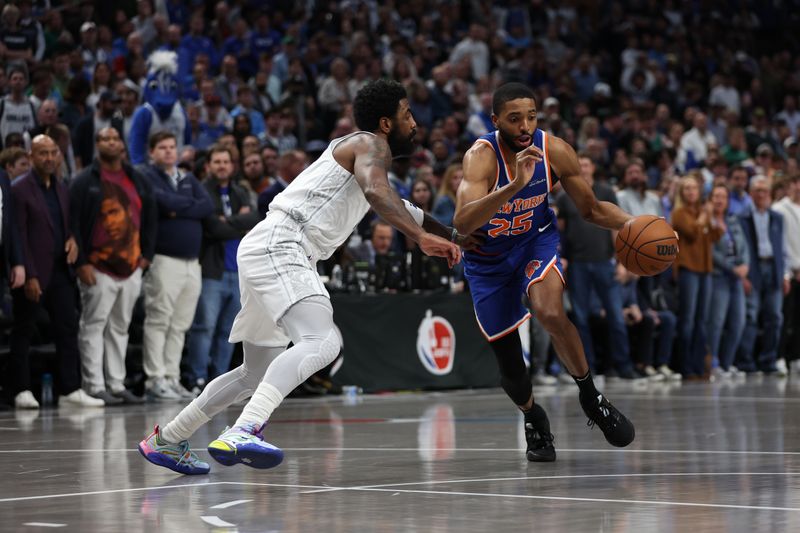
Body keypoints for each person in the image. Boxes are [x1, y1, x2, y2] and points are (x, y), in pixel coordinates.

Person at [138, 79, 464, 474]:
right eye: (407, 113)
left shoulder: (368, 163)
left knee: (254, 372)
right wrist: (421, 239)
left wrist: (457, 237)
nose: (414, 121)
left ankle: (167, 439)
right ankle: (245, 429)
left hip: (268, 245)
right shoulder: (369, 144)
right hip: (285, 243)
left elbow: (401, 205)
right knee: (323, 340)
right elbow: (382, 197)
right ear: (385, 122)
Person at [453, 82, 638, 463]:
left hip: (534, 242)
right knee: (511, 367)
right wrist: (516, 185)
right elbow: (463, 222)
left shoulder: (554, 149)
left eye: (531, 117)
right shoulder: (481, 157)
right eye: (514, 118)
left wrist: (634, 224)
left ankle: (591, 396)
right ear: (496, 121)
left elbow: (591, 209)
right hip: (487, 261)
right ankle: (532, 416)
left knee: (551, 311)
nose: (525, 126)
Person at [9, 135, 103, 408]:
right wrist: (29, 273)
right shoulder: (20, 189)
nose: (49, 158)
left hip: (61, 269)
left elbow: (66, 223)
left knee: (67, 327)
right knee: (23, 330)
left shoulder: (61, 186)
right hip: (33, 272)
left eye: (53, 152)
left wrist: (72, 238)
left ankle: (70, 390)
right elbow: (19, 235)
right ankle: (21, 389)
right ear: (31, 155)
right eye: (42, 153)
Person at [70, 127, 157, 405]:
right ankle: (95, 385)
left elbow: (151, 217)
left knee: (121, 327)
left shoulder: (136, 178)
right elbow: (72, 224)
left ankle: (116, 384)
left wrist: (146, 255)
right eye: (105, 138)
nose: (111, 142)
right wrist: (81, 262)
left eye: (115, 138)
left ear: (122, 145)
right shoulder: (84, 180)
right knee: (94, 325)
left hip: (131, 265)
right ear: (97, 145)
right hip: (97, 265)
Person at [138, 131, 213, 400]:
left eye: (172, 147)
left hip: (192, 263)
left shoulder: (188, 177)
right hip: (164, 260)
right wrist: (185, 206)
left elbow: (206, 206)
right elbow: (160, 201)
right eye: (163, 147)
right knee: (159, 320)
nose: (169, 152)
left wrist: (177, 209)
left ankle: (172, 376)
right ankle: (154, 379)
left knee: (180, 324)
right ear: (152, 152)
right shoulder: (146, 176)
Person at [671, 176, 724, 379]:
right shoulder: (679, 213)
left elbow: (715, 236)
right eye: (687, 189)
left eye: (694, 188)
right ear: (682, 193)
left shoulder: (702, 212)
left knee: (702, 320)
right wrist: (704, 217)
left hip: (705, 269)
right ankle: (685, 366)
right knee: (688, 320)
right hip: (688, 269)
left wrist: (714, 218)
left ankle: (699, 365)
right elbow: (693, 232)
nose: (691, 192)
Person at [707, 184, 749, 377]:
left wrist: (745, 266)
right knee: (716, 322)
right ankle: (713, 362)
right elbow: (711, 252)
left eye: (723, 196)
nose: (719, 200)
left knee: (738, 321)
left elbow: (745, 247)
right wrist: (732, 268)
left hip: (737, 277)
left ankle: (727, 363)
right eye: (716, 196)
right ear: (710, 199)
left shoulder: (733, 221)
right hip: (719, 276)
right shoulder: (708, 222)